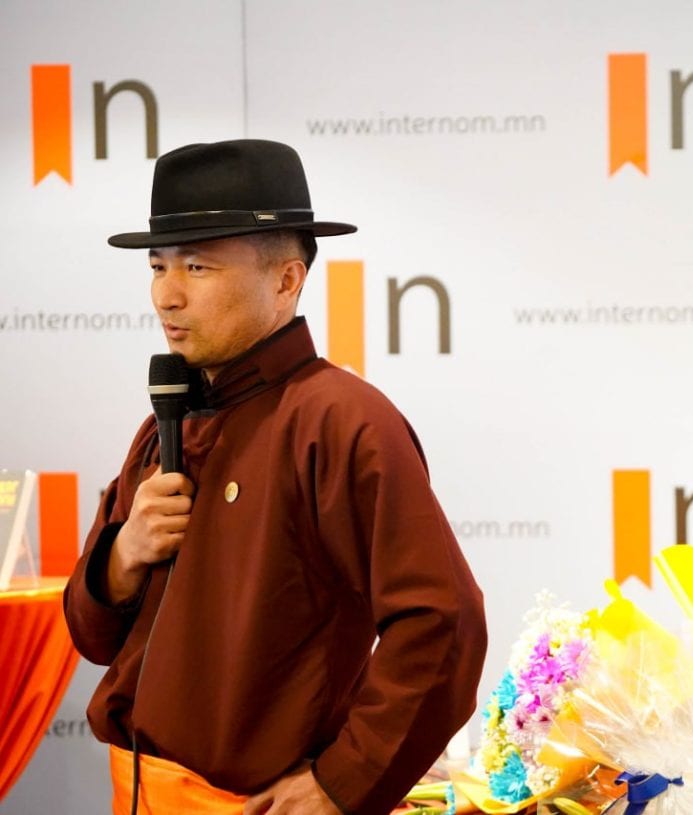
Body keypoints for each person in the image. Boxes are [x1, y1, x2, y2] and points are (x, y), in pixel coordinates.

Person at [64, 139, 488, 814]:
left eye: (197, 266)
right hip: (139, 791)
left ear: (287, 280)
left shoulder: (340, 420)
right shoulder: (165, 424)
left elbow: (445, 623)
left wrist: (340, 783)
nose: (167, 295)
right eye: (158, 265)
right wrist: (122, 557)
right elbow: (91, 638)